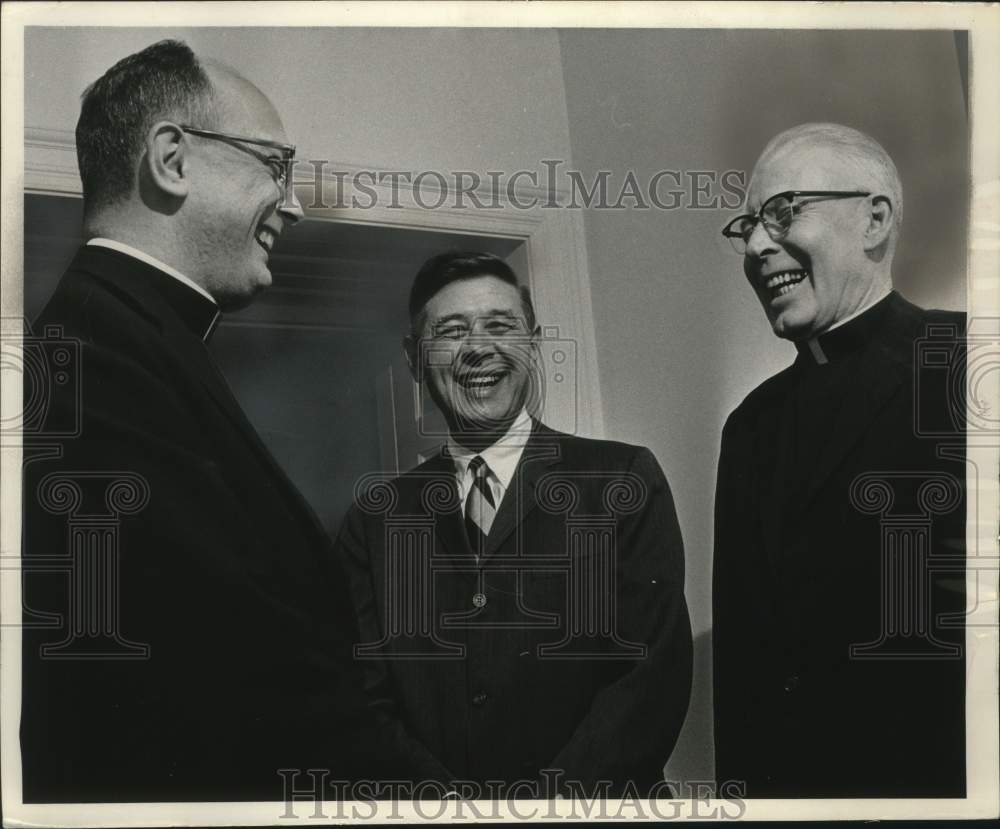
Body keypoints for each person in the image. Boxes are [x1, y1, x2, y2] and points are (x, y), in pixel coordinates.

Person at [21, 40, 399, 801]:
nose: (291, 202)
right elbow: (256, 679)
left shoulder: (125, 337)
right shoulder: (102, 354)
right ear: (172, 160)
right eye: (275, 165)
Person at [334, 251, 693, 798]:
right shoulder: (374, 518)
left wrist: (541, 813)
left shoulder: (621, 479)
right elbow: (363, 701)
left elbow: (649, 681)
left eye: (500, 325)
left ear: (532, 342)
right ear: (413, 359)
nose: (480, 348)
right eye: (452, 331)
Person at [713, 123, 966, 798]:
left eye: (784, 213)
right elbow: (741, 667)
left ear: (875, 219)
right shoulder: (749, 427)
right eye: (748, 226)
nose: (759, 245)